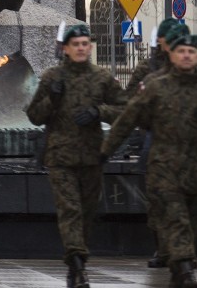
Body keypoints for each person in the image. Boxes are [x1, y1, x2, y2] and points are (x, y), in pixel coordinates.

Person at [26, 22, 126, 288]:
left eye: (85, 44)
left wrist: (99, 112)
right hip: (60, 157)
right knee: (69, 209)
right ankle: (78, 264)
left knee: (87, 212)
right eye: (76, 45)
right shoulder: (52, 78)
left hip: (92, 155)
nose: (81, 48)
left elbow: (126, 110)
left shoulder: (102, 77)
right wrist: (52, 98)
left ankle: (75, 261)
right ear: (66, 49)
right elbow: (34, 116)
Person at [104, 31, 197, 288]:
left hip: (195, 169)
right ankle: (186, 266)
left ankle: (181, 268)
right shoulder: (157, 85)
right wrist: (104, 151)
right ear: (173, 55)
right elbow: (127, 119)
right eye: (182, 51)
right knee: (176, 217)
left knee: (191, 222)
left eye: (192, 51)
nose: (187, 55)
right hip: (165, 167)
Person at [122, 18, 189, 273]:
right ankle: (164, 250)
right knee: (158, 202)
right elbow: (127, 103)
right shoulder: (146, 69)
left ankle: (184, 252)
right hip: (156, 143)